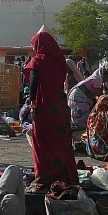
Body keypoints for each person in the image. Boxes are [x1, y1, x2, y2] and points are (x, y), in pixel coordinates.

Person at [23, 25, 79, 192]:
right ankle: (65, 175)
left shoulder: (38, 61)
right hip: (60, 106)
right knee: (61, 143)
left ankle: (45, 177)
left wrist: (31, 102)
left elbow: (34, 84)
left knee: (43, 144)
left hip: (44, 106)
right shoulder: (60, 61)